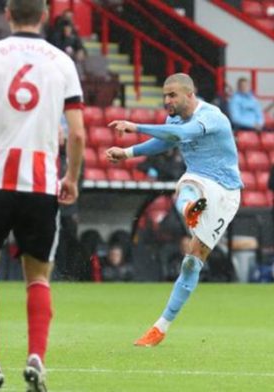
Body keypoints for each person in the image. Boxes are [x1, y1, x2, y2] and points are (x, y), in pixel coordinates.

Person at [0, 1, 86, 390]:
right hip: (41, 184)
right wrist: (71, 176)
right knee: (38, 276)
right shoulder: (62, 62)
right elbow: (76, 133)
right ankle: (36, 356)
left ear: (7, 14)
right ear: (43, 15)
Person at [106, 73, 242, 347]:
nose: (166, 100)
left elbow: (180, 135)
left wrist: (136, 126)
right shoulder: (174, 119)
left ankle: (192, 210)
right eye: (165, 95)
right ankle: (159, 329)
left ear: (189, 95)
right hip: (200, 179)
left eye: (172, 95)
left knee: (194, 260)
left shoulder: (211, 116)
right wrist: (128, 152)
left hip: (226, 191)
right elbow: (166, 141)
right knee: (184, 187)